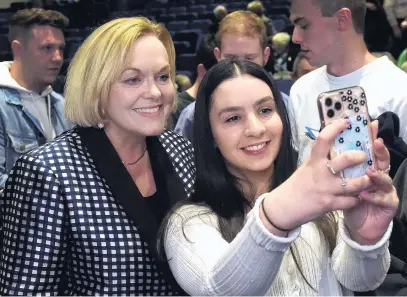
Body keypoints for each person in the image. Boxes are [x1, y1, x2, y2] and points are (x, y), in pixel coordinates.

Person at [161, 58, 397, 296]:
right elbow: (219, 290)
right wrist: (276, 216)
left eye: (265, 110)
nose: (256, 128)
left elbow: (359, 281)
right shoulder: (188, 222)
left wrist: (366, 240)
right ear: (210, 134)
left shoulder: (323, 201)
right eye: (233, 118)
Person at [0, 17, 195, 295]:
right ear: (97, 87)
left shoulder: (180, 150)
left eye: (163, 76)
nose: (154, 92)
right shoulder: (47, 172)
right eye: (133, 79)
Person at [289, 0, 407, 164]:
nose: (295, 37)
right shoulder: (300, 90)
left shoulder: (400, 90)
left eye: (304, 25)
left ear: (342, 19)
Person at [174, 11, 289, 141]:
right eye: (231, 58)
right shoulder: (193, 115)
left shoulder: (287, 107)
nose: (239, 67)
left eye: (249, 58)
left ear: (266, 56)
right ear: (218, 56)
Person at [0, 8, 72, 189]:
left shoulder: (61, 105)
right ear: (18, 49)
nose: (57, 58)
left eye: (60, 49)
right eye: (47, 48)